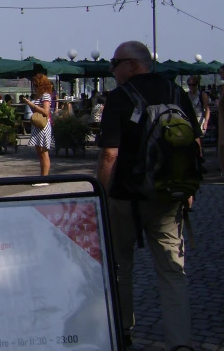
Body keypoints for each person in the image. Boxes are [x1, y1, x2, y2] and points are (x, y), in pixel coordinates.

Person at [97, 40, 199, 349]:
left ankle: (123, 331)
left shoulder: (119, 98)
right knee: (172, 271)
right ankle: (180, 343)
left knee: (119, 266)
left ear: (131, 64)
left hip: (126, 197)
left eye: (115, 64)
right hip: (169, 197)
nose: (112, 70)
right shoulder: (175, 92)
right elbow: (193, 143)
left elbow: (109, 156)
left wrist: (101, 193)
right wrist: (188, 188)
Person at [21, 74, 53, 185]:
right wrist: (30, 103)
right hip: (38, 126)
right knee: (40, 153)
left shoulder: (45, 96)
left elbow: (45, 111)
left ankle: (44, 178)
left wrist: (30, 103)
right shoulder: (40, 97)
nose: (34, 87)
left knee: (44, 153)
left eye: (35, 85)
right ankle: (42, 177)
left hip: (43, 126)